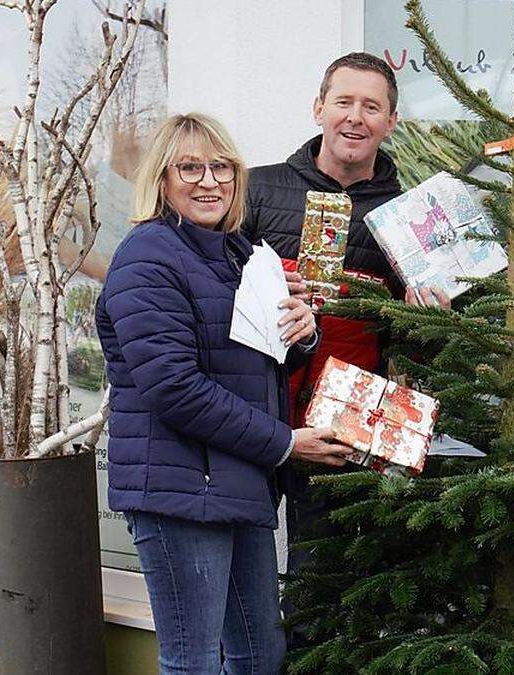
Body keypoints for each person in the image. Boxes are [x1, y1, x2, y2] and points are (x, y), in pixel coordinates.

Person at [96, 113, 354, 673]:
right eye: (190, 167)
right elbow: (175, 387)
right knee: (194, 662)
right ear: (162, 180)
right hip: (179, 491)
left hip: (237, 482)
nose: (209, 180)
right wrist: (287, 443)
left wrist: (303, 334)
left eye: (222, 167)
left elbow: (256, 361)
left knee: (261, 655)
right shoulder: (148, 258)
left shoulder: (240, 255)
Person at [242, 52, 449, 643]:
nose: (355, 118)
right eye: (344, 102)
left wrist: (428, 324)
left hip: (344, 426)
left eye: (372, 107)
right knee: (240, 581)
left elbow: (420, 353)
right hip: (255, 413)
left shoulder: (412, 217)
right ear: (319, 109)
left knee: (320, 588)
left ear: (390, 122)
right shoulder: (257, 189)